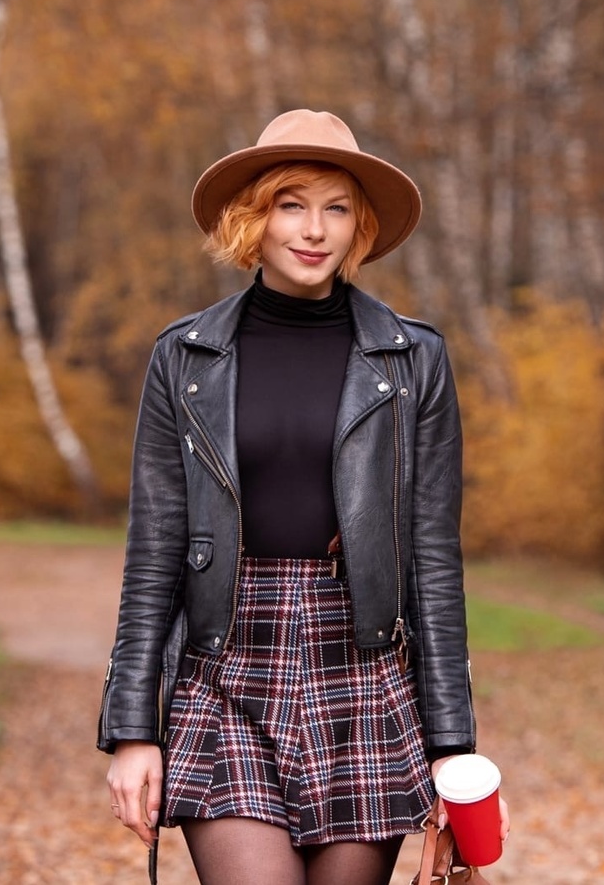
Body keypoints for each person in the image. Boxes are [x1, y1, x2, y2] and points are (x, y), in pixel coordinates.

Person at [97, 109, 507, 885]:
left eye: (337, 207)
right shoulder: (184, 358)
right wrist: (131, 729)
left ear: (361, 226)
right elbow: (152, 554)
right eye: (292, 203)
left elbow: (432, 564)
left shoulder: (414, 359)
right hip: (225, 669)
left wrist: (455, 749)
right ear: (254, 217)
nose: (315, 229)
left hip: (363, 672)